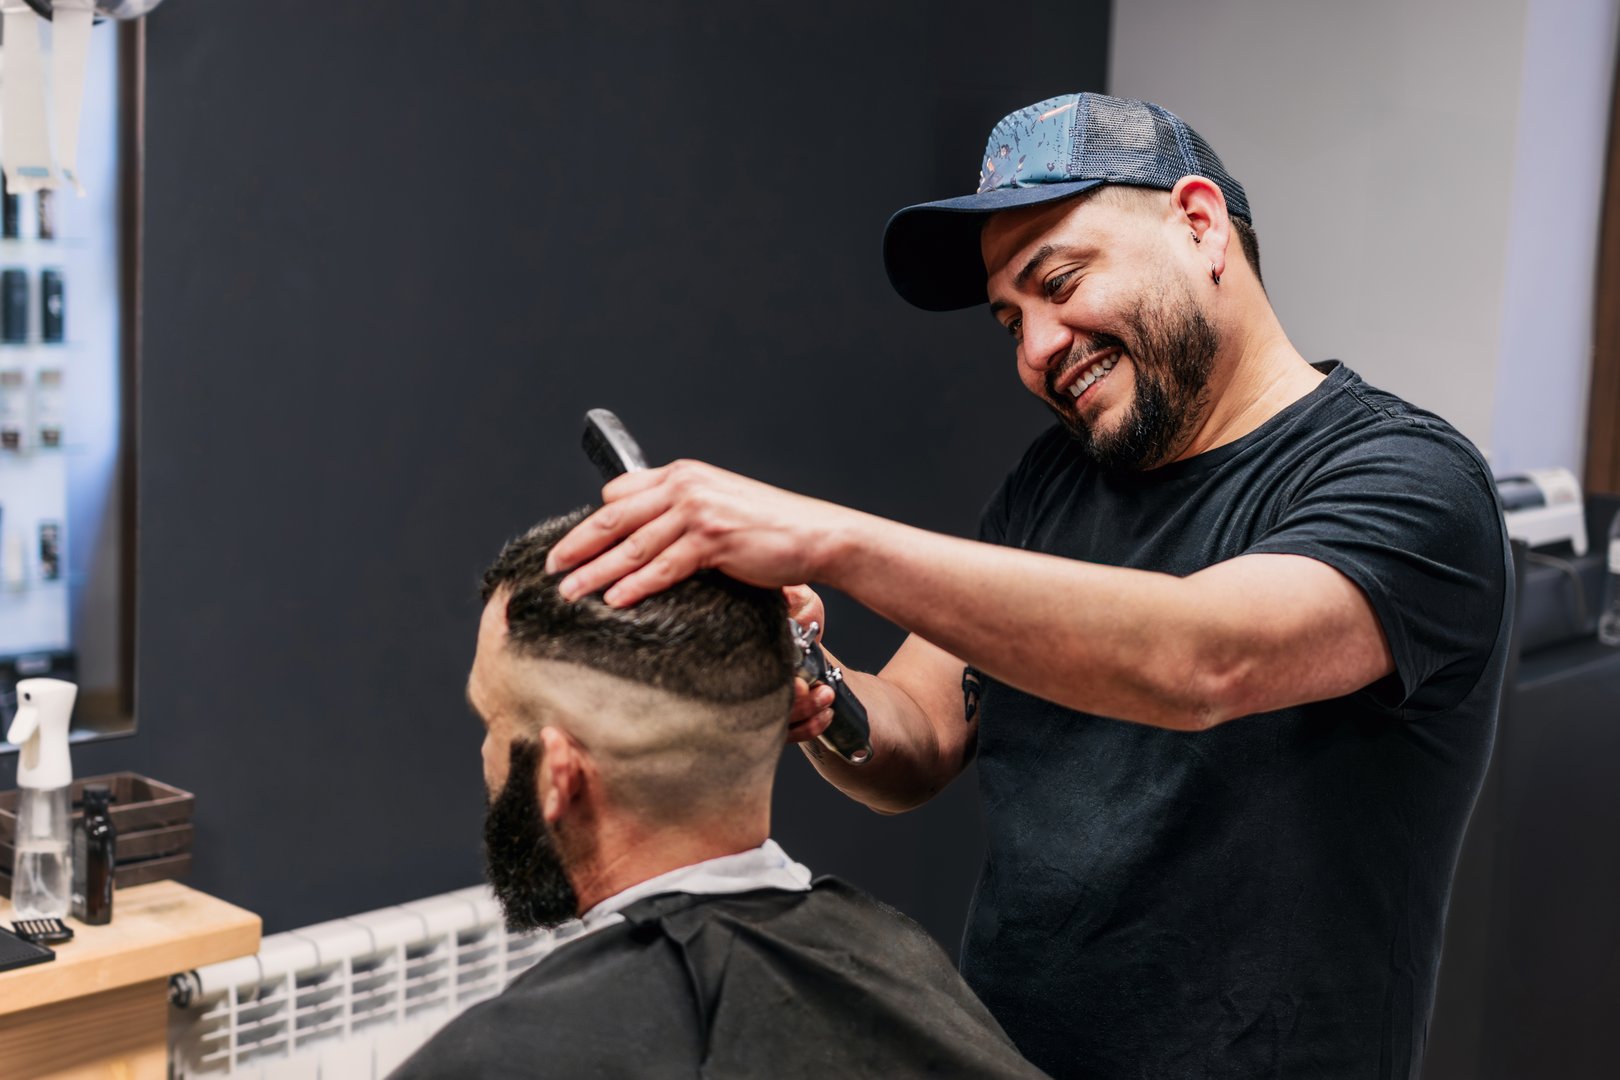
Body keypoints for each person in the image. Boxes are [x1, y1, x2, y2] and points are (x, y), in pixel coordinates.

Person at [541, 92, 1513, 1079]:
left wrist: (822, 540)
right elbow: (917, 737)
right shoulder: (1055, 484)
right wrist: (810, 675)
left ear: (1199, 223)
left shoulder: (1408, 481)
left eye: (1061, 281)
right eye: (1011, 319)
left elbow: (1205, 658)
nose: (1038, 348)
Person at [388, 508, 1050, 1080]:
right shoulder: (898, 964)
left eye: (493, 722)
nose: (486, 753)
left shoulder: (501, 1060)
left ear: (560, 774)